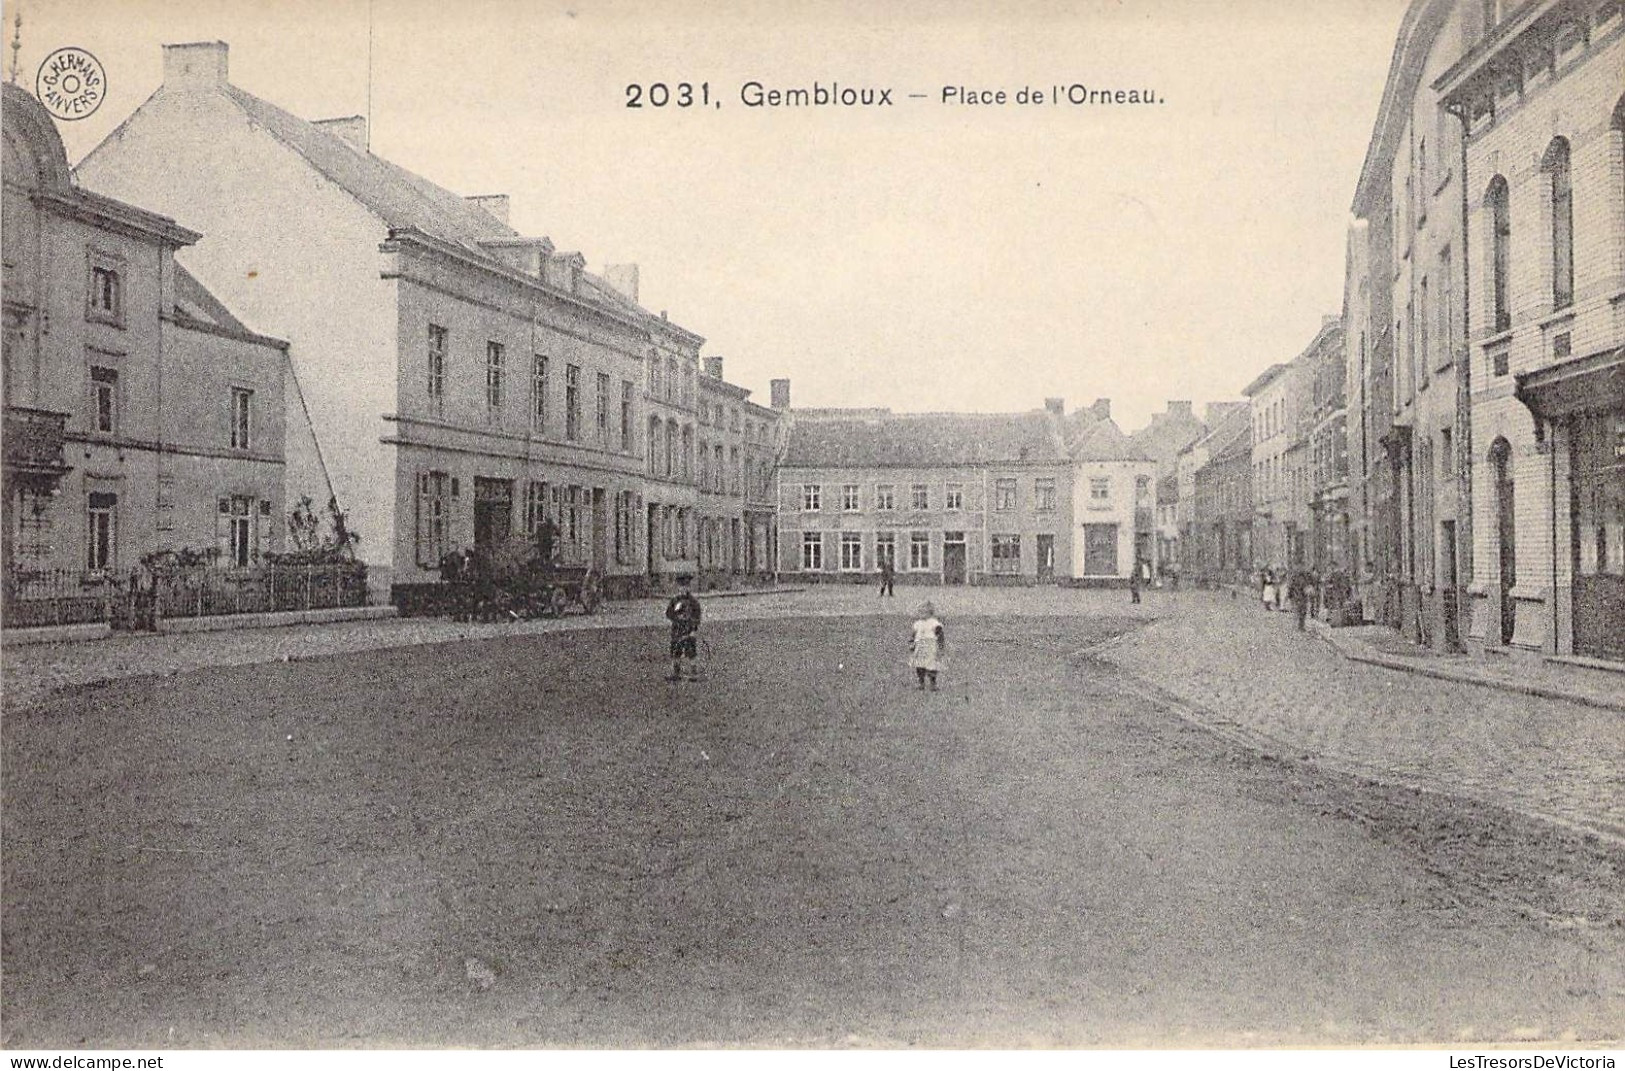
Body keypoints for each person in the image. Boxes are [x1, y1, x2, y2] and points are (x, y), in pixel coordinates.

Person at [665, 574, 702, 681]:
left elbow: (697, 616)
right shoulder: (675, 601)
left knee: (691, 651)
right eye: (681, 587)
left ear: (689, 588)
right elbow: (668, 613)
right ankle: (676, 672)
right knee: (675, 651)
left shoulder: (693, 602)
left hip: (688, 630)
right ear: (678, 588)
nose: (683, 589)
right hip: (677, 630)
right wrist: (676, 616)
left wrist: (693, 630)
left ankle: (693, 672)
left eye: (686, 586)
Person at [909, 601, 945, 691]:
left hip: (930, 646)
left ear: (930, 613)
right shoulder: (917, 623)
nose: (921, 614)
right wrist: (912, 643)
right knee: (919, 664)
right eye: (919, 612)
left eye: (924, 612)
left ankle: (933, 683)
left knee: (932, 665)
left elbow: (940, 633)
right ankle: (921, 682)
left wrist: (940, 645)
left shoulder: (934, 622)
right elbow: (913, 634)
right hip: (920, 646)